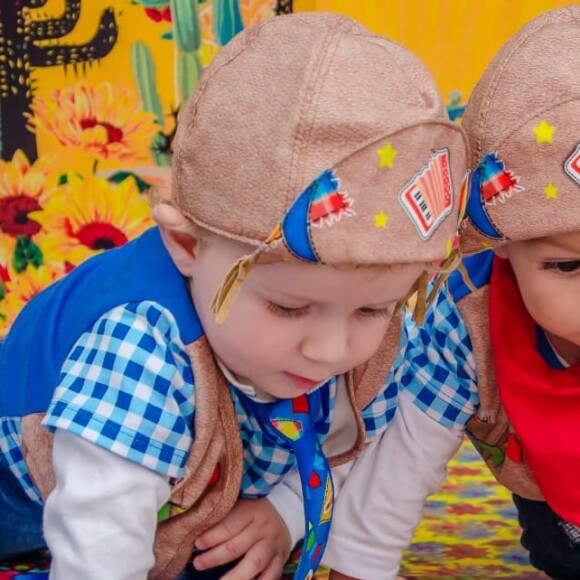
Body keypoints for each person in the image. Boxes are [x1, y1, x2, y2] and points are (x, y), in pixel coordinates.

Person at [0, 12, 471, 580]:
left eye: (372, 309)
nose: (330, 349)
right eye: (288, 307)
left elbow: (359, 440)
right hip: (31, 495)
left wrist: (285, 512)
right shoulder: (139, 344)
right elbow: (99, 540)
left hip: (190, 486)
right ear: (185, 246)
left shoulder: (378, 336)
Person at [323, 6, 580, 580]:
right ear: (502, 242)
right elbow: (400, 466)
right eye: (568, 266)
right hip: (562, 524)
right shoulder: (466, 314)